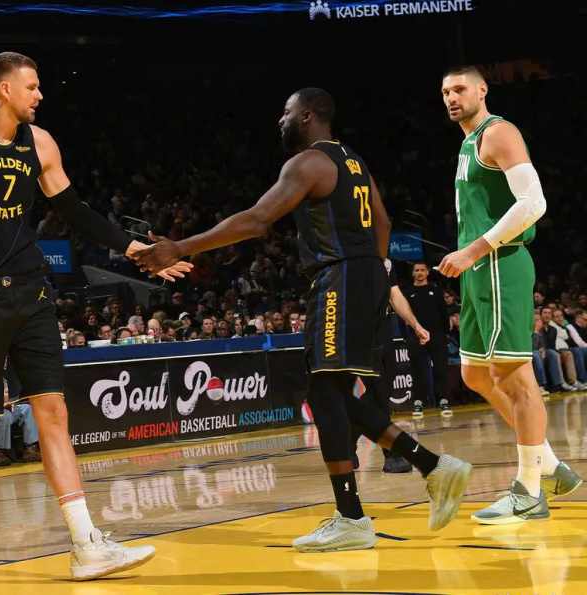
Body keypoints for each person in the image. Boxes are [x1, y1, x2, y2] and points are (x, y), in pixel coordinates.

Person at [134, 87, 472, 551]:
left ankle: (358, 514)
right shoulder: (354, 161)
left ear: (308, 116)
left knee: (324, 392)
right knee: (331, 393)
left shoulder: (308, 162)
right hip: (367, 275)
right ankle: (427, 468)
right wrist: (374, 274)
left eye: (287, 112)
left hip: (342, 276)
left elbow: (257, 220)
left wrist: (181, 247)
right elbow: (385, 224)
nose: (281, 120)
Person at [0, 51, 180, 589]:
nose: (40, 95)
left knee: (53, 412)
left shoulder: (42, 143)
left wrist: (137, 249)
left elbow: (75, 213)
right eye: (31, 87)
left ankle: (86, 544)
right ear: (4, 88)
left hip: (32, 294)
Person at [437, 65, 581, 523]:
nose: (452, 97)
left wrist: (473, 250)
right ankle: (550, 466)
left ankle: (529, 490)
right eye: (445, 91)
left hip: (500, 263)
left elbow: (534, 203)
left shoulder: (498, 133)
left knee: (514, 377)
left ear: (483, 90)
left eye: (460, 89)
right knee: (476, 374)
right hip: (478, 270)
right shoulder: (467, 142)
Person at [352, 258, 431, 474]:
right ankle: (392, 454)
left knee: (381, 392)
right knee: (378, 394)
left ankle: (347, 440)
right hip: (360, 329)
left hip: (384, 328)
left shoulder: (386, 263)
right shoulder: (352, 258)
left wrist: (415, 325)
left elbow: (394, 294)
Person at [405, 261, 454, 418]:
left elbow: (443, 313)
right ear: (413, 273)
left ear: (427, 272)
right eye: (417, 270)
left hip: (437, 336)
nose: (419, 273)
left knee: (440, 368)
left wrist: (446, 333)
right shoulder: (407, 293)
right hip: (415, 337)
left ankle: (443, 400)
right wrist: (407, 336)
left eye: (422, 270)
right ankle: (418, 402)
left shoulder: (435, 291)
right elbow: (402, 316)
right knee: (417, 370)